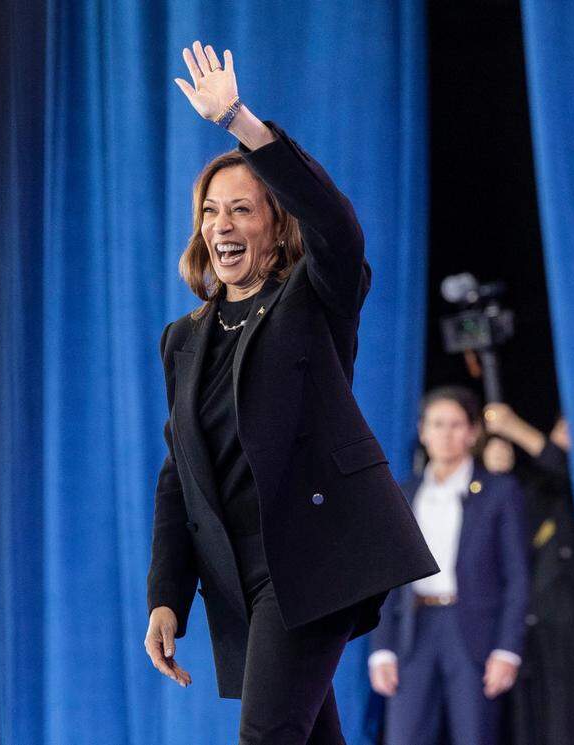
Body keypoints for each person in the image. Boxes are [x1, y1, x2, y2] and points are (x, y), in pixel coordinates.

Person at [143, 39, 438, 745]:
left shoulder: (312, 299)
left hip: (315, 555)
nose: (223, 225)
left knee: (267, 736)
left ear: (275, 227)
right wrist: (165, 596)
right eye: (213, 212)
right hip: (241, 576)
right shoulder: (183, 338)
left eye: (243, 210)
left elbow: (336, 223)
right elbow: (178, 478)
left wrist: (242, 123)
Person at [368, 386, 528, 745]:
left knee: (475, 734)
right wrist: (381, 648)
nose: (446, 434)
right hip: (414, 630)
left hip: (473, 630)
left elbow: (517, 577)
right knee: (404, 735)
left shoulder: (498, 492)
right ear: (423, 431)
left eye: (456, 425)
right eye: (437, 424)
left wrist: (507, 649)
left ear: (472, 433)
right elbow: (388, 580)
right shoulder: (404, 494)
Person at [482, 405, 574, 745]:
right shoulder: (536, 488)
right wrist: (496, 469)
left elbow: (566, 467)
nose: (566, 437)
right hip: (536, 623)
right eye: (561, 427)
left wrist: (515, 427)